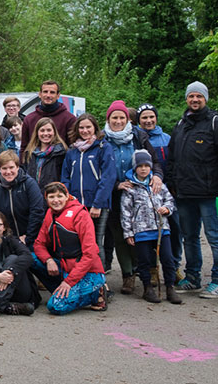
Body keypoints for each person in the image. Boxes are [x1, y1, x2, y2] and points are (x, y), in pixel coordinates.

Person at [168, 81, 218, 298]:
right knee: (189, 237)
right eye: (191, 96)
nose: (195, 100)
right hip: (184, 194)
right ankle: (192, 277)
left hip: (210, 195)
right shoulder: (181, 125)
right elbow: (172, 158)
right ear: (186, 99)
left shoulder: (217, 124)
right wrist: (172, 186)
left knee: (215, 237)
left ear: (205, 98)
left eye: (199, 96)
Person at [103, 100, 163, 295]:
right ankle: (128, 275)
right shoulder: (102, 139)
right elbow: (98, 169)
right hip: (114, 194)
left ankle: (148, 270)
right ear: (108, 119)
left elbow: (154, 161)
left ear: (128, 119)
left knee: (143, 235)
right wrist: (116, 185)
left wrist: (157, 176)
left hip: (139, 195)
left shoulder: (138, 136)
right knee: (120, 236)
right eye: (114, 118)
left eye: (122, 117)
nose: (118, 121)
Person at [34, 182, 108, 314]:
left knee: (56, 307)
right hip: (65, 268)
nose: (56, 200)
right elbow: (39, 244)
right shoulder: (50, 214)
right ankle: (61, 291)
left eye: (59, 196)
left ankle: (96, 293)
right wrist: (48, 260)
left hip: (88, 271)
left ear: (67, 196)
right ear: (46, 199)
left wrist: (69, 282)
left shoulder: (80, 214)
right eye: (51, 197)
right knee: (32, 259)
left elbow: (90, 254)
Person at [120, 150, 183, 304]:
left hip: (161, 229)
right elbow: (125, 212)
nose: (143, 169)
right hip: (141, 230)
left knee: (167, 258)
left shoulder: (158, 184)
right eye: (140, 166)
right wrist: (128, 233)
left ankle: (170, 287)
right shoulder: (130, 188)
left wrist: (166, 209)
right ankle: (147, 287)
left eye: (146, 166)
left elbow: (169, 200)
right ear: (135, 168)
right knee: (144, 260)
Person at [61, 113, 116, 272]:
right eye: (81, 127)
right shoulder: (72, 151)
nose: (85, 131)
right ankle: (83, 277)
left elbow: (108, 177)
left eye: (88, 127)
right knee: (78, 243)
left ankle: (100, 280)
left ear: (95, 128)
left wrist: (97, 204)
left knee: (95, 243)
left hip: (97, 206)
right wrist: (69, 201)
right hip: (76, 206)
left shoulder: (103, 147)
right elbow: (65, 177)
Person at [137, 103, 182, 266]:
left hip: (166, 190)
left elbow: (174, 162)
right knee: (146, 230)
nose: (148, 120)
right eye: (144, 117)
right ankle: (151, 266)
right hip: (143, 190)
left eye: (151, 117)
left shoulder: (167, 139)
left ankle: (174, 263)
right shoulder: (136, 138)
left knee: (174, 227)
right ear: (139, 120)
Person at [0, 151, 44, 249]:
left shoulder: (29, 184)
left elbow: (37, 212)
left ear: (17, 167)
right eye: (4, 168)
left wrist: (28, 237)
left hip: (30, 237)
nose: (8, 172)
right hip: (6, 239)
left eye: (11, 167)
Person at [21, 80, 76, 148]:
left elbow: (73, 148)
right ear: (40, 94)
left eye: (52, 92)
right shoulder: (29, 119)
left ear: (58, 95)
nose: (48, 95)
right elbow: (24, 148)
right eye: (45, 92)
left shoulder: (69, 119)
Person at [20, 117, 68, 189]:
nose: (45, 133)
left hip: (53, 193)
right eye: (42, 130)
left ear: (54, 132)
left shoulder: (61, 153)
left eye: (49, 130)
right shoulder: (29, 153)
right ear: (37, 133)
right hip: (33, 193)